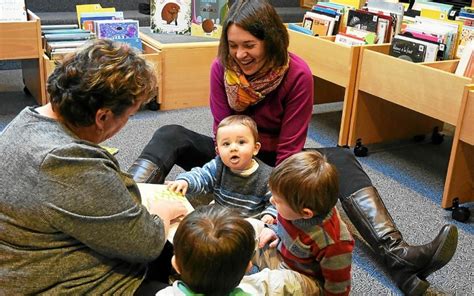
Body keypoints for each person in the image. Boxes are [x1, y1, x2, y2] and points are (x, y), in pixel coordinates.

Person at [126, 0, 458, 295]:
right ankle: (125, 210)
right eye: (233, 45)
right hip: (234, 153)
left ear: (271, 40)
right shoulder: (221, 69)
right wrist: (232, 163)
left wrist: (275, 193)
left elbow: (290, 148)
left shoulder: (297, 73)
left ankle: (397, 255)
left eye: (249, 45)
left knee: (340, 159)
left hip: (280, 161)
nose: (240, 55)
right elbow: (222, 135)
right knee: (171, 132)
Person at [0, 39, 188, 295]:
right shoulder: (67, 160)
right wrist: (162, 213)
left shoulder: (24, 121)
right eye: (129, 116)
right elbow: (144, 244)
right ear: (102, 117)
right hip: (60, 284)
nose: (126, 123)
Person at [157, 204, 322, 296]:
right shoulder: (254, 290)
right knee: (280, 280)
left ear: (176, 264)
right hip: (279, 278)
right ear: (247, 267)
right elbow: (287, 283)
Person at [255, 150, 354, 296]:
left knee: (272, 283)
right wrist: (274, 229)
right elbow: (283, 220)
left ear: (306, 213)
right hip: (283, 257)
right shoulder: (293, 209)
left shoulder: (334, 241)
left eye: (278, 201)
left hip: (305, 281)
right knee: (248, 228)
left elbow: (338, 286)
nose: (271, 201)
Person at [167, 115, 276, 223]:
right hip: (219, 220)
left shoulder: (267, 176)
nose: (233, 148)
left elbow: (277, 201)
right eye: (226, 144)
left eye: (241, 142)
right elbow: (202, 176)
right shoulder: (218, 165)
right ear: (218, 151)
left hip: (247, 228)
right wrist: (185, 181)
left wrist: (269, 214)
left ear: (255, 148)